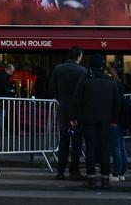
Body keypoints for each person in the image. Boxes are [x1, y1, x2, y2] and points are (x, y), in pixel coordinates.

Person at [71, 54, 121, 190]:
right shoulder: (110, 81)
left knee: (91, 148)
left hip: (88, 119)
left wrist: (74, 117)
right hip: (106, 119)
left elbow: (77, 100)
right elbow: (117, 102)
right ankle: (105, 178)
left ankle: (91, 178)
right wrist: (115, 119)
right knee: (104, 149)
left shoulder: (85, 80)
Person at [49, 47, 86, 180]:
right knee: (76, 141)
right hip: (77, 111)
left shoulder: (58, 69)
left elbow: (52, 87)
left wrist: (61, 99)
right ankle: (74, 170)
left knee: (64, 140)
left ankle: (60, 170)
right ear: (79, 57)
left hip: (63, 108)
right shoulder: (82, 71)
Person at [107, 66, 131, 182]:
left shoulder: (111, 86)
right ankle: (121, 172)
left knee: (116, 147)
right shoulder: (120, 85)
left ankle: (116, 172)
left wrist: (113, 120)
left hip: (114, 120)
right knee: (121, 146)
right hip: (122, 119)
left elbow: (114, 104)